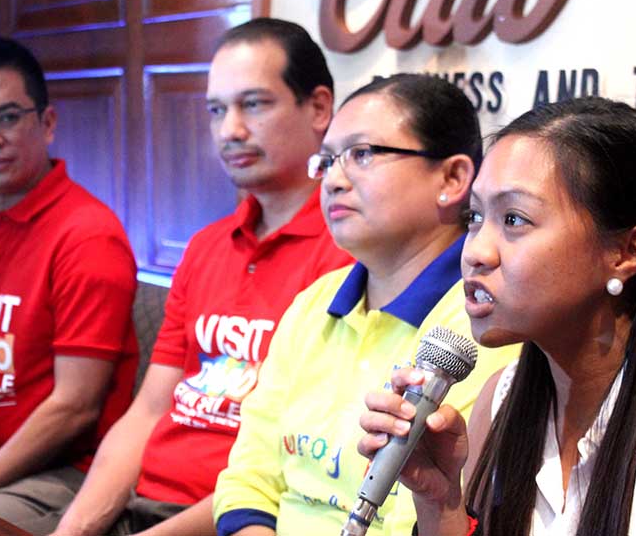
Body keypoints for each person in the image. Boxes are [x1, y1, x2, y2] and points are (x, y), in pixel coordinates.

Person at [358, 96, 636, 536]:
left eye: (515, 219)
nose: (474, 252)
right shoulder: (501, 398)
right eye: (476, 216)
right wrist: (439, 501)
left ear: (628, 252)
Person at [51, 18, 353, 536]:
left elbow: (295, 462)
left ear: (319, 108)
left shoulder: (349, 255)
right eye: (217, 110)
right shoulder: (206, 246)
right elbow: (148, 411)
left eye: (253, 104)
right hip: (141, 503)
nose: (229, 130)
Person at [213, 73, 519, 536]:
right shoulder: (314, 302)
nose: (334, 179)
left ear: (454, 177)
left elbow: (423, 517)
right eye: (329, 159)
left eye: (362, 154)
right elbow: (247, 482)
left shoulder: (486, 321)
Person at [0, 37, 139, 533]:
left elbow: (74, 407)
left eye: (7, 117)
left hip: (60, 477)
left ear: (47, 122)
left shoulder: (87, 235)